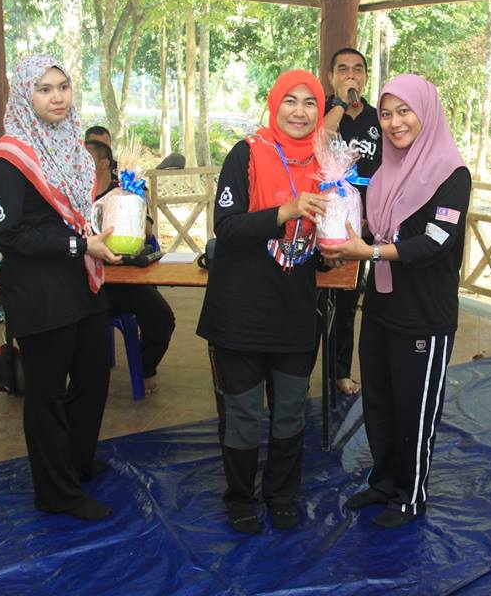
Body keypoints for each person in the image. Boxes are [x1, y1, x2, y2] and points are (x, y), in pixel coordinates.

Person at [322, 74, 472, 528]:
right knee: (380, 402)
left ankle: (410, 495)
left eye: (404, 111)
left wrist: (367, 252)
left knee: (415, 410)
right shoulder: (386, 173)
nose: (394, 122)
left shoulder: (452, 173)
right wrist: (339, 226)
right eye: (386, 114)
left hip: (425, 314)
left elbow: (435, 243)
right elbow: (372, 230)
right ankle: (384, 481)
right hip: (382, 307)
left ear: (426, 112)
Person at [0, 54, 120, 520]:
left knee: (94, 378)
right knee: (46, 395)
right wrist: (77, 244)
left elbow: (77, 213)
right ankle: (56, 492)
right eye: (44, 89)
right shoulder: (12, 155)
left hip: (82, 283)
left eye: (62, 87)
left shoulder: (71, 145)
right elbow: (4, 233)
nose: (57, 97)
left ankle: (76, 464)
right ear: (26, 96)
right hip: (40, 293)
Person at [195, 69, 329, 534]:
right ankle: (240, 498)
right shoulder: (247, 153)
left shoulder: (327, 164)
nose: (299, 111)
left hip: (295, 312)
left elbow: (321, 245)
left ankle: (282, 494)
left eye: (310, 102)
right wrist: (286, 211)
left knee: (291, 410)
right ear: (275, 105)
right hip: (240, 313)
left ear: (319, 111)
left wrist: (334, 243)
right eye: (290, 100)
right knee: (243, 414)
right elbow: (227, 227)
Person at [87, 140, 176, 394]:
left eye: (87, 158)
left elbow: (147, 233)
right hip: (85, 280)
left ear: (104, 163)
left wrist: (135, 203)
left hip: (124, 279)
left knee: (161, 318)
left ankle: (144, 367)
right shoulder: (75, 191)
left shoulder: (124, 191)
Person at [323, 47, 383, 395]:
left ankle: (341, 371)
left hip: (369, 224)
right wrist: (340, 105)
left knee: (351, 301)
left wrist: (373, 218)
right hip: (328, 222)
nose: (351, 75)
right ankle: (301, 373)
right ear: (331, 77)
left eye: (357, 69)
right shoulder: (323, 113)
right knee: (320, 303)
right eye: (343, 69)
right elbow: (320, 140)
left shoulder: (379, 118)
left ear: (365, 77)